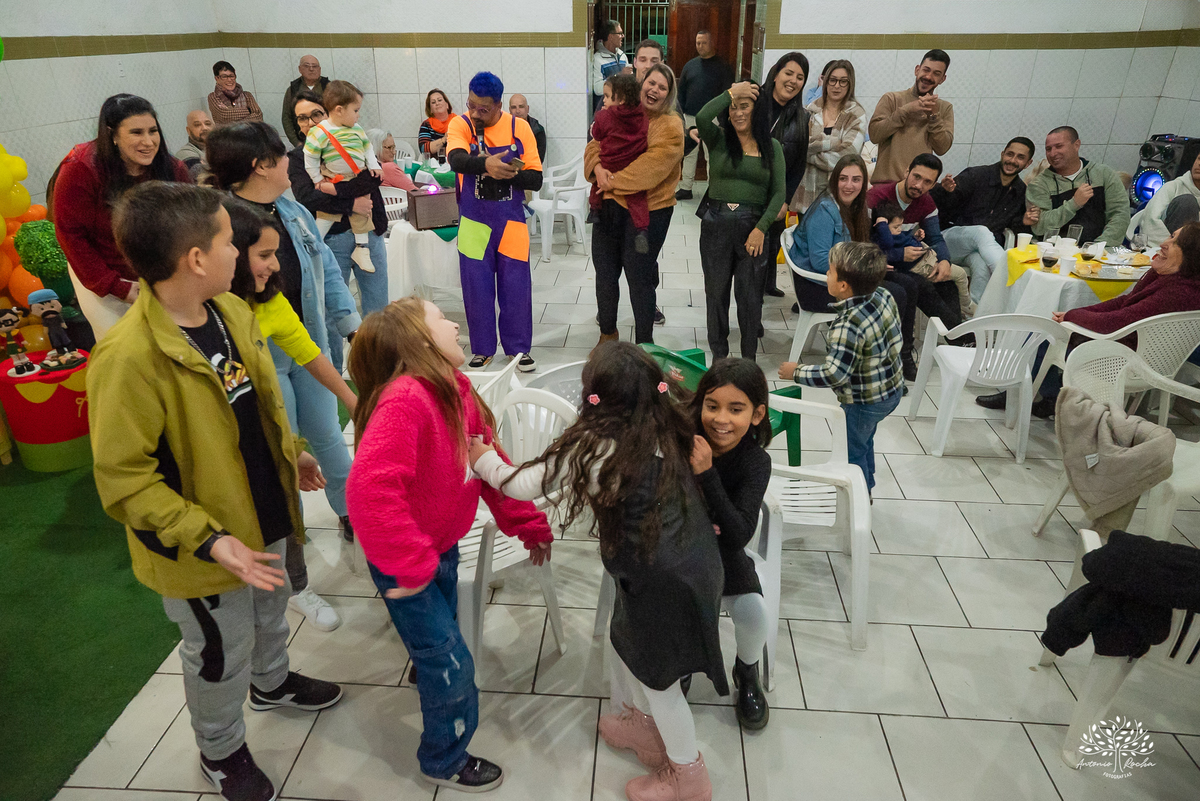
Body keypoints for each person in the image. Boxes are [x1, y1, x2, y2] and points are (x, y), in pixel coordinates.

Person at [91, 181, 342, 801]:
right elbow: (125, 482)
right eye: (231, 242)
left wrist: (293, 454)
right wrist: (209, 541)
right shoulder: (129, 357)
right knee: (216, 649)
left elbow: (254, 411)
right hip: (204, 548)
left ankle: (273, 681)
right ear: (195, 258)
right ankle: (221, 748)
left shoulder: (230, 311)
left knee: (269, 612)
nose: (247, 256)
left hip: (264, 513)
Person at [467, 341, 725, 801]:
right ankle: (644, 729)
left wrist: (481, 457)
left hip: (659, 577)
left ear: (595, 397)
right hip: (688, 560)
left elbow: (522, 485)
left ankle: (688, 775)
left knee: (660, 682)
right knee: (628, 644)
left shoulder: (592, 443)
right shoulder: (667, 422)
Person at [346, 298, 553, 793]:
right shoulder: (407, 400)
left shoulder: (456, 390)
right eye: (442, 318)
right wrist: (411, 562)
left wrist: (525, 521)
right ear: (419, 341)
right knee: (454, 665)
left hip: (438, 547)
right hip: (408, 560)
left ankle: (429, 664)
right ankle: (443, 759)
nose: (456, 323)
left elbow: (488, 464)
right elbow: (369, 490)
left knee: (439, 648)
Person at [207, 120, 362, 566]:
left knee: (328, 438)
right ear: (260, 165)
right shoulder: (225, 223)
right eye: (282, 157)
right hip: (257, 360)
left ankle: (351, 512)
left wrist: (349, 327)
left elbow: (327, 270)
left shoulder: (290, 207)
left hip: (306, 340)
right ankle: (291, 553)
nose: (290, 165)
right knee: (281, 455)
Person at [223, 197, 357, 631]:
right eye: (264, 256)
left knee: (285, 505)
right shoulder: (214, 316)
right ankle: (293, 591)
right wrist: (287, 448)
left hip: (261, 440)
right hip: (231, 453)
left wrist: (358, 403)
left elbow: (311, 355)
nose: (276, 266)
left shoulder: (270, 301)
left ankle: (290, 594)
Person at [977, 222, 1200, 417]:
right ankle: (1050, 398)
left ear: (1191, 254)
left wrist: (1072, 316)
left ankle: (1020, 396)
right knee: (1057, 325)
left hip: (1124, 359)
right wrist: (1075, 313)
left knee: (1042, 332)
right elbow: (1123, 304)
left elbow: (1118, 321)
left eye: (1175, 242)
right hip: (1140, 352)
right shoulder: (1175, 278)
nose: (1163, 243)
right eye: (1171, 235)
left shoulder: (1178, 292)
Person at [687, 358, 773, 730]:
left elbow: (739, 534)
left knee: (753, 611)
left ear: (756, 415)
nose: (721, 418)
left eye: (735, 409)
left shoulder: (755, 462)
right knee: (674, 608)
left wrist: (706, 472)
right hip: (680, 553)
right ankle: (685, 661)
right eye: (712, 406)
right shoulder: (681, 438)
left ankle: (747, 672)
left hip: (725, 554)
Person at [778, 241, 904, 494]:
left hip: (863, 402)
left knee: (851, 450)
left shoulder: (848, 326)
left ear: (843, 286)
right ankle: (867, 482)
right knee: (864, 440)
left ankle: (857, 496)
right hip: (891, 390)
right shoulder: (883, 295)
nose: (826, 275)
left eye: (829, 272)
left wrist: (796, 371)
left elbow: (834, 374)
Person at [446, 71, 543, 371]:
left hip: (511, 223)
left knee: (516, 286)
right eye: (471, 104)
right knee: (476, 287)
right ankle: (483, 349)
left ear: (499, 105)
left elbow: (536, 179)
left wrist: (508, 174)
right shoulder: (460, 123)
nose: (475, 112)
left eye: (483, 108)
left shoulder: (520, 128)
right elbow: (456, 159)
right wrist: (485, 164)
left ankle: (518, 350)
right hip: (474, 222)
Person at [55, 94, 192, 305]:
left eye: (153, 131)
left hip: (165, 276)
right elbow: (71, 236)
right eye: (136, 133)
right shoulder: (81, 169)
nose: (148, 142)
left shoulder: (173, 169)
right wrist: (116, 286)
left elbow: (193, 224)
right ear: (113, 135)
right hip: (108, 280)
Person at [286, 90, 388, 372]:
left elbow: (370, 177)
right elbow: (307, 196)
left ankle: (379, 370)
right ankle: (334, 375)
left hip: (370, 231)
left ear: (332, 111)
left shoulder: (354, 136)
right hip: (329, 241)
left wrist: (340, 191)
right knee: (332, 313)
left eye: (315, 114)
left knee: (377, 307)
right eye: (302, 119)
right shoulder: (298, 157)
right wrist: (351, 201)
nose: (309, 123)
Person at [589, 63, 685, 349]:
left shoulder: (671, 126)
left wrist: (608, 179)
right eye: (650, 83)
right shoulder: (621, 112)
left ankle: (645, 345)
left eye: (662, 87)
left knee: (639, 279)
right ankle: (607, 335)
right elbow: (594, 144)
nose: (654, 89)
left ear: (669, 95)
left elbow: (648, 171)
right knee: (605, 274)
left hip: (649, 214)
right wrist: (596, 167)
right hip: (608, 208)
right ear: (641, 85)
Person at [695, 80, 785, 359]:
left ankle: (748, 360)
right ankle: (719, 359)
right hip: (716, 224)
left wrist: (761, 228)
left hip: (753, 229)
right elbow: (701, 116)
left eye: (744, 106)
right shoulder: (719, 138)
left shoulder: (772, 147)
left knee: (749, 299)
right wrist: (731, 93)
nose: (738, 113)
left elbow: (779, 192)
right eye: (733, 108)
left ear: (757, 111)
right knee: (716, 295)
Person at [867, 153, 963, 377]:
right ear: (906, 171)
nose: (919, 185)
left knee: (947, 283)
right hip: (878, 264)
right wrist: (898, 254)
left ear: (934, 184)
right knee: (915, 286)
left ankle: (959, 341)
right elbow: (862, 242)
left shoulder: (927, 203)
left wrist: (945, 261)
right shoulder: (878, 197)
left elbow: (936, 238)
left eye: (927, 182)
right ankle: (906, 353)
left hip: (905, 263)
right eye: (916, 177)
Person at [930, 137, 1038, 302]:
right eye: (1010, 154)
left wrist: (1024, 222)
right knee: (981, 231)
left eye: (1020, 157)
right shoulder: (975, 175)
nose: (1013, 160)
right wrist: (945, 191)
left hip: (979, 251)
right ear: (1002, 154)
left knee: (981, 265)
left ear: (1028, 163)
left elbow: (1014, 230)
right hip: (947, 243)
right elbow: (940, 208)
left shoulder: (1020, 191)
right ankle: (1010, 280)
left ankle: (974, 314)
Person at [304, 80, 382, 273]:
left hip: (357, 176)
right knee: (326, 215)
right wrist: (317, 180)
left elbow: (367, 149)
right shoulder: (320, 132)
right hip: (333, 177)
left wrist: (373, 166)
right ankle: (313, 244)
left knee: (363, 212)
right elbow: (310, 157)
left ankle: (362, 249)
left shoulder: (357, 129)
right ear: (339, 110)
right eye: (355, 110)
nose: (358, 115)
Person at [757, 52, 810, 298]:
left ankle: (768, 284)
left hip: (778, 190)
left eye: (800, 77)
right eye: (789, 73)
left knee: (772, 240)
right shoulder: (756, 100)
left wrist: (785, 198)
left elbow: (799, 163)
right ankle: (751, 296)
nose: (793, 81)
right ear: (776, 73)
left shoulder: (802, 116)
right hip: (752, 186)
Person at [1027, 126, 1130, 246]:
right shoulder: (1038, 184)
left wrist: (1098, 247)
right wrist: (1074, 203)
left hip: (1100, 250)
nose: (1053, 153)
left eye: (1059, 146)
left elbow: (1120, 213)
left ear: (1076, 145)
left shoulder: (1103, 174)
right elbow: (1039, 226)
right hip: (1055, 252)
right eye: (1048, 149)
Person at [872, 198, 973, 320]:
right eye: (895, 227)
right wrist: (882, 225)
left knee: (950, 285)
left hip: (927, 260)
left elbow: (904, 238)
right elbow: (887, 243)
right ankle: (967, 306)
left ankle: (959, 318)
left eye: (900, 226)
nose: (899, 230)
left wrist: (915, 237)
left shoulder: (894, 234)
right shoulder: (883, 238)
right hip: (922, 266)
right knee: (960, 275)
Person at [868, 49, 953, 185]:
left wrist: (933, 117)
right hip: (885, 186)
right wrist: (906, 110)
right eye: (926, 70)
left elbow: (942, 148)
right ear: (917, 70)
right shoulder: (891, 99)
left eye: (936, 74)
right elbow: (875, 135)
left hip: (919, 189)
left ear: (943, 79)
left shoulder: (944, 108)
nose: (929, 77)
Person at [591, 74, 651, 253]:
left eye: (608, 96)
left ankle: (594, 209)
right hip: (632, 163)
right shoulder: (642, 114)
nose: (605, 100)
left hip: (609, 162)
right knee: (637, 198)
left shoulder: (604, 116)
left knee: (597, 184)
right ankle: (642, 229)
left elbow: (596, 135)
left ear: (622, 98)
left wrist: (599, 118)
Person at [800, 59, 866, 212]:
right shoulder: (810, 109)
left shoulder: (856, 114)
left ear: (850, 84)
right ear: (825, 82)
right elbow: (799, 146)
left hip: (837, 195)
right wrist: (833, 143)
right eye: (833, 80)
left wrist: (809, 156)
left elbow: (847, 156)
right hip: (805, 193)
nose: (837, 86)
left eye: (843, 81)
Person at [676, 30, 734, 201]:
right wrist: (681, 116)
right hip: (690, 116)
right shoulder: (690, 65)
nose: (700, 46)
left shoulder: (723, 67)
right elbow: (681, 92)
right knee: (689, 154)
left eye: (704, 43)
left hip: (713, 119)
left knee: (712, 155)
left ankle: (712, 191)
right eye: (697, 43)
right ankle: (686, 188)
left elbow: (728, 95)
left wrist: (723, 120)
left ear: (712, 43)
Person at [1134, 150, 1200, 247]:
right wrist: (1171, 246)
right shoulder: (1172, 187)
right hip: (1166, 249)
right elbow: (1150, 221)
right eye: (1199, 159)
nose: (1199, 164)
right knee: (1186, 202)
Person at [282, 54, 330, 147]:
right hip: (303, 140)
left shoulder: (328, 87)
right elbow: (286, 118)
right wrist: (297, 143)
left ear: (319, 69)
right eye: (307, 66)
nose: (311, 69)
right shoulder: (293, 90)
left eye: (314, 66)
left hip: (328, 139)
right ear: (300, 69)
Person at [208, 61, 263, 126]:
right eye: (224, 77)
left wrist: (235, 121)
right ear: (217, 78)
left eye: (231, 76)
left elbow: (258, 116)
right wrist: (249, 111)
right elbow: (225, 116)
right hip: (227, 135)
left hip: (249, 134)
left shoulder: (247, 95)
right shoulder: (213, 97)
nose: (229, 80)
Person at [592, 20, 630, 111]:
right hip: (605, 111)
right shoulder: (598, 59)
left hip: (622, 110)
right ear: (611, 37)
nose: (623, 36)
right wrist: (619, 75)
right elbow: (597, 89)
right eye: (620, 33)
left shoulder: (622, 56)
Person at [175, 110, 214, 180]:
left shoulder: (219, 148)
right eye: (197, 125)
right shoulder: (185, 154)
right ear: (188, 130)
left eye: (208, 124)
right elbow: (205, 180)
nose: (204, 128)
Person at [509, 94, 547, 163]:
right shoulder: (503, 128)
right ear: (510, 110)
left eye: (521, 107)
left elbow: (539, 159)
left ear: (527, 109)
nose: (517, 111)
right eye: (514, 107)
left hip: (530, 170)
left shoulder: (537, 130)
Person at [418, 89, 454, 158]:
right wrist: (443, 139)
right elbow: (423, 149)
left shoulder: (457, 121)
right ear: (430, 109)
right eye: (433, 102)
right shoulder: (426, 125)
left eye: (440, 100)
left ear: (447, 105)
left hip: (455, 162)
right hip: (434, 164)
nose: (437, 103)